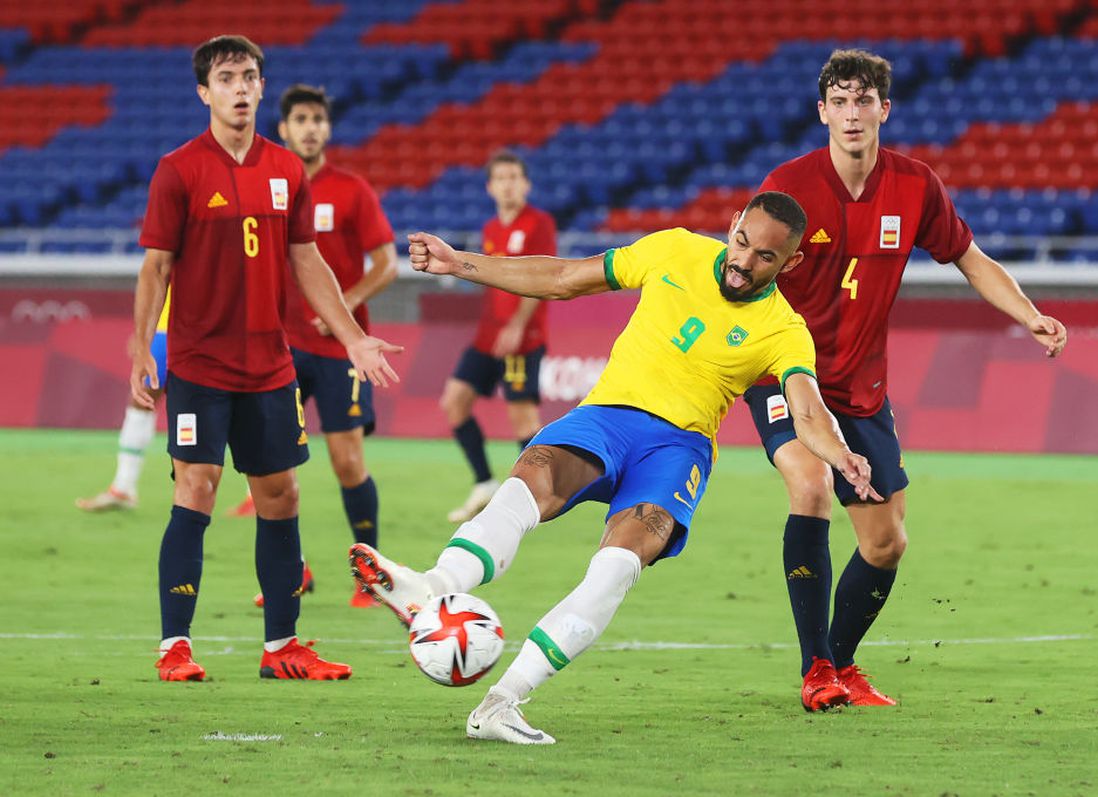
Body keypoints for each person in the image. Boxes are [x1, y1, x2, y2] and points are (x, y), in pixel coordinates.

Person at [350, 191, 882, 744]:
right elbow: (563, 278)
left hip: (678, 450)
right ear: (732, 226)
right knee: (528, 483)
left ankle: (500, 704)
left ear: (791, 263)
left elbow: (807, 407)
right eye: (742, 242)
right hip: (608, 416)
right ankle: (428, 587)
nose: (744, 262)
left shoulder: (784, 329)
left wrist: (839, 453)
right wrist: (460, 262)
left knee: (616, 568)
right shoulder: (674, 249)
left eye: (765, 257)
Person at [748, 49, 1068, 710]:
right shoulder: (789, 186)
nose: (852, 113)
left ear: (884, 110)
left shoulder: (915, 186)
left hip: (862, 388)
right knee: (809, 484)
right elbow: (743, 269)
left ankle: (840, 662)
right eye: (839, 102)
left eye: (863, 101)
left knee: (887, 541)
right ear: (822, 113)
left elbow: (969, 258)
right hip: (789, 374)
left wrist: (1029, 315)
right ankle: (815, 670)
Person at [132, 34, 400, 682]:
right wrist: (141, 345)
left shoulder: (286, 171)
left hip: (270, 366)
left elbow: (307, 260)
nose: (242, 88)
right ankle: (175, 648)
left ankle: (282, 646)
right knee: (196, 488)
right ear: (205, 91)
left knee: (281, 493)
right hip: (199, 364)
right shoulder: (179, 169)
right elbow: (156, 265)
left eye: (250, 76)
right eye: (227, 78)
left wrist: (352, 336)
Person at [239, 83, 399, 609]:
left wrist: (345, 306)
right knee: (275, 464)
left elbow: (387, 263)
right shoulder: (265, 186)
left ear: (327, 128)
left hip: (338, 352)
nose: (310, 128)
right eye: (300, 119)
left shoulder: (351, 189)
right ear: (282, 128)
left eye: (317, 119)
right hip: (279, 347)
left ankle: (369, 573)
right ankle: (293, 571)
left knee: (346, 460)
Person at [439, 150, 557, 523]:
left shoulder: (539, 224)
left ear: (526, 184)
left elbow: (542, 278)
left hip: (523, 337)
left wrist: (518, 324)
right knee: (454, 402)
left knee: (523, 419)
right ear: (491, 187)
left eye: (514, 177)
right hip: (487, 336)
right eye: (501, 178)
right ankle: (485, 483)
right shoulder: (490, 229)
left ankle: (541, 493)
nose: (508, 184)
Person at [75, 292, 171, 511]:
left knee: (226, 401)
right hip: (169, 326)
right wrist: (145, 331)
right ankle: (123, 487)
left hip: (196, 326)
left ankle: (257, 492)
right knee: (143, 398)